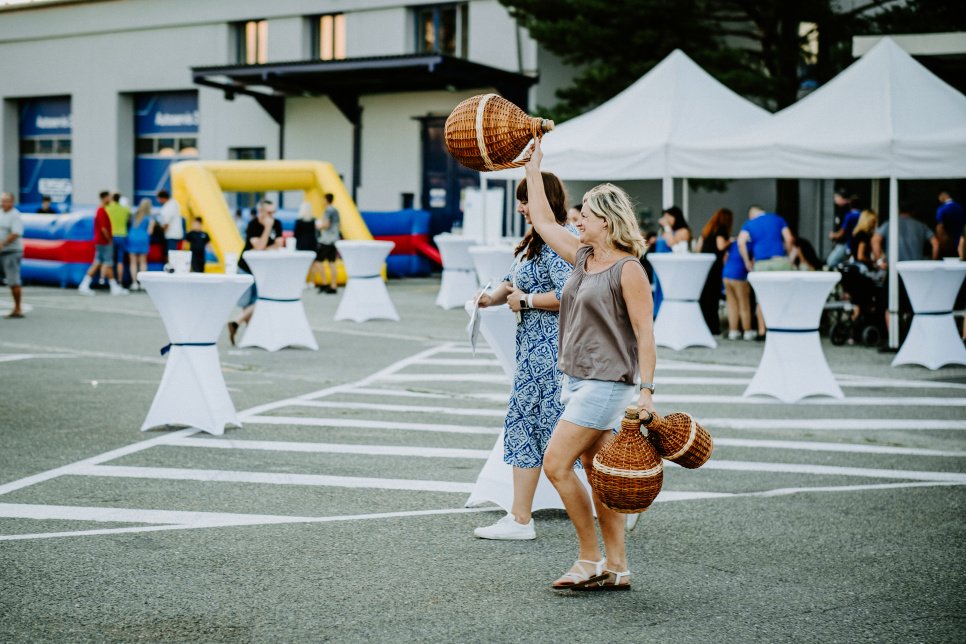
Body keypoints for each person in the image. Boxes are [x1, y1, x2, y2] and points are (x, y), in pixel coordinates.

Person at [524, 138, 654, 591]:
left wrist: (647, 392)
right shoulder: (583, 257)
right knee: (598, 474)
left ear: (608, 221)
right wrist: (534, 167)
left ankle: (589, 558)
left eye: (586, 215)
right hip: (577, 379)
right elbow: (543, 220)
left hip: (608, 382)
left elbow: (645, 333)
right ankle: (617, 567)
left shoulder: (628, 270)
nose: (577, 219)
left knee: (556, 464)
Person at [472, 172, 574, 541]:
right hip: (532, 355)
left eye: (525, 199)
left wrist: (527, 301)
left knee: (565, 432)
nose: (520, 207)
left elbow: (570, 294)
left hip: (553, 355)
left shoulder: (560, 241)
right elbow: (511, 280)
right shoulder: (534, 240)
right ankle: (520, 517)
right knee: (528, 426)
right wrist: (490, 297)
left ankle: (620, 500)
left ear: (544, 200)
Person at [227, 199, 284, 345]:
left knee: (261, 299)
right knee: (247, 303)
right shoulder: (253, 225)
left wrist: (264, 246)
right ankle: (250, 335)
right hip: (246, 268)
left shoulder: (277, 223)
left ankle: (237, 322)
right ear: (261, 212)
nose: (272, 216)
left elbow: (278, 244)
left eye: (273, 212)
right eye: (269, 212)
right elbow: (259, 246)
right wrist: (267, 229)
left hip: (263, 270)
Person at [737, 205, 794, 337]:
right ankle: (782, 327)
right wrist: (789, 256)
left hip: (761, 264)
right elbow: (789, 238)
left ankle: (762, 330)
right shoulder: (777, 219)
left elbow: (740, 242)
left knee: (761, 299)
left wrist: (747, 261)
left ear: (751, 215)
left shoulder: (749, 224)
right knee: (782, 296)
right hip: (780, 261)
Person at [78, 191, 128, 296]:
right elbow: (103, 228)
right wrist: (109, 239)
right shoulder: (101, 210)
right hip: (104, 241)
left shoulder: (102, 210)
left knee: (99, 262)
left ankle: (85, 284)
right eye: (109, 197)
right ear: (105, 198)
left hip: (101, 241)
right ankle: (113, 287)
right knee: (107, 262)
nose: (110, 199)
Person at [697, 208, 732, 335]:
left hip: (704, 266)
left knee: (705, 297)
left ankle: (703, 325)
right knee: (713, 297)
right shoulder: (721, 230)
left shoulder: (707, 230)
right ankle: (713, 327)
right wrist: (731, 241)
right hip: (715, 267)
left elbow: (698, 248)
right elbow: (720, 245)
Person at [0, 192, 25, 318]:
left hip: (11, 252)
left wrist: (3, 243)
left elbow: (16, 233)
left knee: (13, 280)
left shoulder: (15, 215)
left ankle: (18, 308)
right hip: (2, 252)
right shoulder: (1, 213)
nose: (3, 203)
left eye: (6, 201)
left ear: (12, 202)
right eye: (2, 200)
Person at [722, 239, 752, 339]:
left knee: (731, 304)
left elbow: (725, 258)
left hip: (726, 274)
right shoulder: (750, 244)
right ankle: (747, 331)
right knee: (744, 304)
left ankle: (733, 331)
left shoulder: (734, 243)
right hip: (739, 274)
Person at [126, 198, 154, 291]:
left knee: (133, 262)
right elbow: (150, 231)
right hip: (143, 238)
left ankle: (134, 283)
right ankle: (142, 284)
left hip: (132, 237)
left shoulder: (134, 215)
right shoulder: (150, 218)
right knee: (143, 262)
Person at [316, 193, 340, 294]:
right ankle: (333, 285)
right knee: (332, 263)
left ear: (326, 200)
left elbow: (326, 224)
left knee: (317, 261)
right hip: (334, 239)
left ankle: (325, 283)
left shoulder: (328, 211)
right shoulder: (336, 211)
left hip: (326, 240)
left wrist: (319, 226)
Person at [293, 202, 321, 288]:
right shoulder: (313, 220)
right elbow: (317, 233)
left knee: (302, 264)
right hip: (312, 243)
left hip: (302, 244)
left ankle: (303, 281)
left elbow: (296, 234)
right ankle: (311, 282)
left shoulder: (299, 221)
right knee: (312, 264)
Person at [105, 192, 130, 286]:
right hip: (122, 235)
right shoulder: (125, 209)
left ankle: (108, 280)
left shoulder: (108, 208)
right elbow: (129, 214)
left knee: (109, 259)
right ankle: (119, 281)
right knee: (120, 260)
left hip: (111, 235)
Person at [825, 188, 852, 267]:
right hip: (840, 242)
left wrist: (835, 235)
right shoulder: (840, 210)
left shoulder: (847, 211)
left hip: (846, 243)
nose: (834, 199)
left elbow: (844, 229)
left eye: (836, 197)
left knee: (831, 262)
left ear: (842, 198)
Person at [936, 191, 964, 258]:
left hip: (947, 241)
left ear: (943, 196)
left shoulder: (942, 209)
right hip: (960, 238)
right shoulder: (960, 207)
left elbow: (940, 225)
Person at [157, 189, 184, 258]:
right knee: (172, 255)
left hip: (171, 235)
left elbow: (166, 224)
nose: (158, 201)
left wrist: (160, 231)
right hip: (175, 234)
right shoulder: (174, 202)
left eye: (159, 199)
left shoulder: (168, 207)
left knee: (171, 256)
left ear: (162, 198)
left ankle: (170, 265)